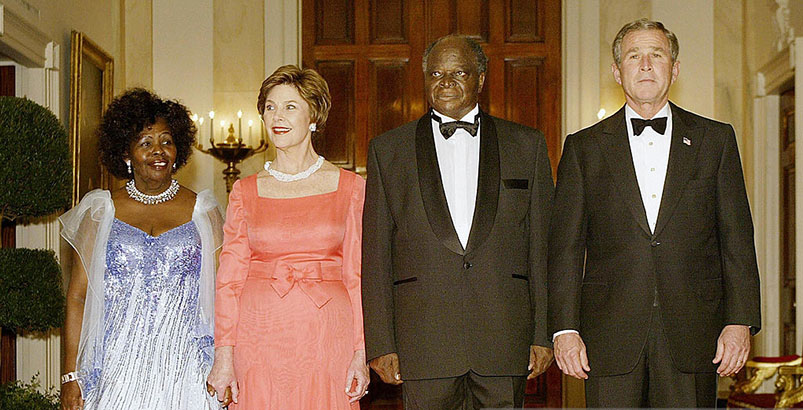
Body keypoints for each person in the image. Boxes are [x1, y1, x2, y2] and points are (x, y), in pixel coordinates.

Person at [548, 18, 761, 407]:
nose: (645, 65)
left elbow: (736, 238)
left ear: (674, 69)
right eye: (634, 56)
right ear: (617, 71)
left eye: (656, 55)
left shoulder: (716, 140)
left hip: (694, 335)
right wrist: (564, 329)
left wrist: (739, 320)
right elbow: (564, 247)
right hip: (608, 338)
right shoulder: (583, 148)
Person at [361, 34, 554, 409]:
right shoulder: (388, 151)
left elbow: (541, 249)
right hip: (423, 345)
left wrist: (543, 333)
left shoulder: (527, 145)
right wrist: (381, 343)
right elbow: (375, 255)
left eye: (459, 72)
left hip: (504, 342)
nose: (446, 82)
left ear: (480, 79)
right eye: (436, 73)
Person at [206, 65, 369, 409]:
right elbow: (229, 280)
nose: (277, 116)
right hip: (259, 333)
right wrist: (224, 357)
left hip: (327, 334)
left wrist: (361, 352)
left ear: (315, 115)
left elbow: (357, 277)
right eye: (270, 106)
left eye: (290, 106)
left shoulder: (351, 188)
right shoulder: (245, 191)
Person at [59, 88, 224, 410]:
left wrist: (227, 363)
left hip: (187, 368)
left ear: (179, 149)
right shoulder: (101, 210)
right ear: (126, 152)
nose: (158, 151)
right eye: (145, 143)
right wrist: (70, 375)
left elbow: (225, 293)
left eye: (166, 141)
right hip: (114, 369)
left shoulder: (204, 210)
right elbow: (78, 296)